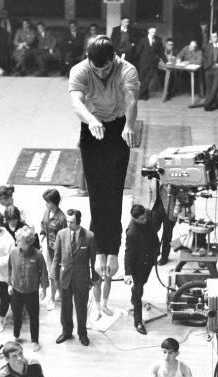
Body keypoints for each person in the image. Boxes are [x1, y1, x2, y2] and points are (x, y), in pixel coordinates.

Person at [68, 35, 139, 279]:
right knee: (97, 191)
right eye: (96, 69)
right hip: (92, 127)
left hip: (119, 127)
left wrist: (129, 126)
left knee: (114, 190)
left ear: (114, 58)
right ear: (88, 60)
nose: (100, 73)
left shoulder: (127, 70)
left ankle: (113, 249)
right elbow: (76, 102)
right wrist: (91, 120)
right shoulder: (80, 70)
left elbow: (131, 99)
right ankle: (101, 249)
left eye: (106, 68)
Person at [52, 209, 97, 346]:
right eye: (67, 221)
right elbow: (56, 257)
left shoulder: (89, 236)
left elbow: (94, 260)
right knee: (65, 307)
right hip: (65, 278)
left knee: (81, 307)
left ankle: (82, 334)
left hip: (82, 278)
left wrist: (94, 278)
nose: (68, 224)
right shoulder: (61, 234)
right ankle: (66, 331)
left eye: (71, 222)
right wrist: (54, 275)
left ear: (78, 222)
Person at [8, 226, 48, 351]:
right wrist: (9, 284)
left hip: (32, 292)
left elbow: (43, 273)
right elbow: (10, 268)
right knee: (17, 315)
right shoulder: (13, 252)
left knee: (34, 316)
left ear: (27, 243)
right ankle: (16, 336)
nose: (16, 243)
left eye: (19, 241)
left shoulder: (38, 255)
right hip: (16, 291)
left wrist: (44, 289)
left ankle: (35, 341)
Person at [124, 204, 160, 335]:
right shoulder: (131, 232)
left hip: (149, 259)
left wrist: (157, 251)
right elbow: (128, 253)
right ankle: (138, 322)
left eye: (145, 217)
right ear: (135, 219)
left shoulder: (147, 214)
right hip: (137, 264)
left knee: (142, 284)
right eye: (142, 219)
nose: (145, 220)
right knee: (139, 291)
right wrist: (127, 273)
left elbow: (152, 231)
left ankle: (135, 294)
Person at [40, 189, 67, 311]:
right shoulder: (46, 213)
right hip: (49, 250)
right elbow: (43, 226)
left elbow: (65, 237)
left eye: (48, 202)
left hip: (58, 253)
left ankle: (51, 298)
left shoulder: (62, 219)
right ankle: (61, 295)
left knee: (53, 276)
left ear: (54, 203)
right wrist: (41, 238)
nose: (46, 204)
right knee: (54, 275)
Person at [135, 26, 163, 101]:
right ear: (148, 31)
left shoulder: (158, 39)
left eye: (154, 32)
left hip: (153, 63)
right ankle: (145, 95)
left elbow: (161, 52)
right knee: (141, 79)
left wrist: (166, 61)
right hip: (143, 62)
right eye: (152, 32)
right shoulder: (143, 40)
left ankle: (139, 95)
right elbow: (138, 51)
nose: (153, 33)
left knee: (147, 79)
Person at [202, 29, 218, 111]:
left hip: (217, 69)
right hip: (208, 68)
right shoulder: (208, 46)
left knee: (215, 87)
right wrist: (205, 64)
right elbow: (203, 54)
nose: (212, 38)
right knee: (209, 88)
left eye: (214, 36)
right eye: (212, 36)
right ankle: (213, 104)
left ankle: (207, 104)